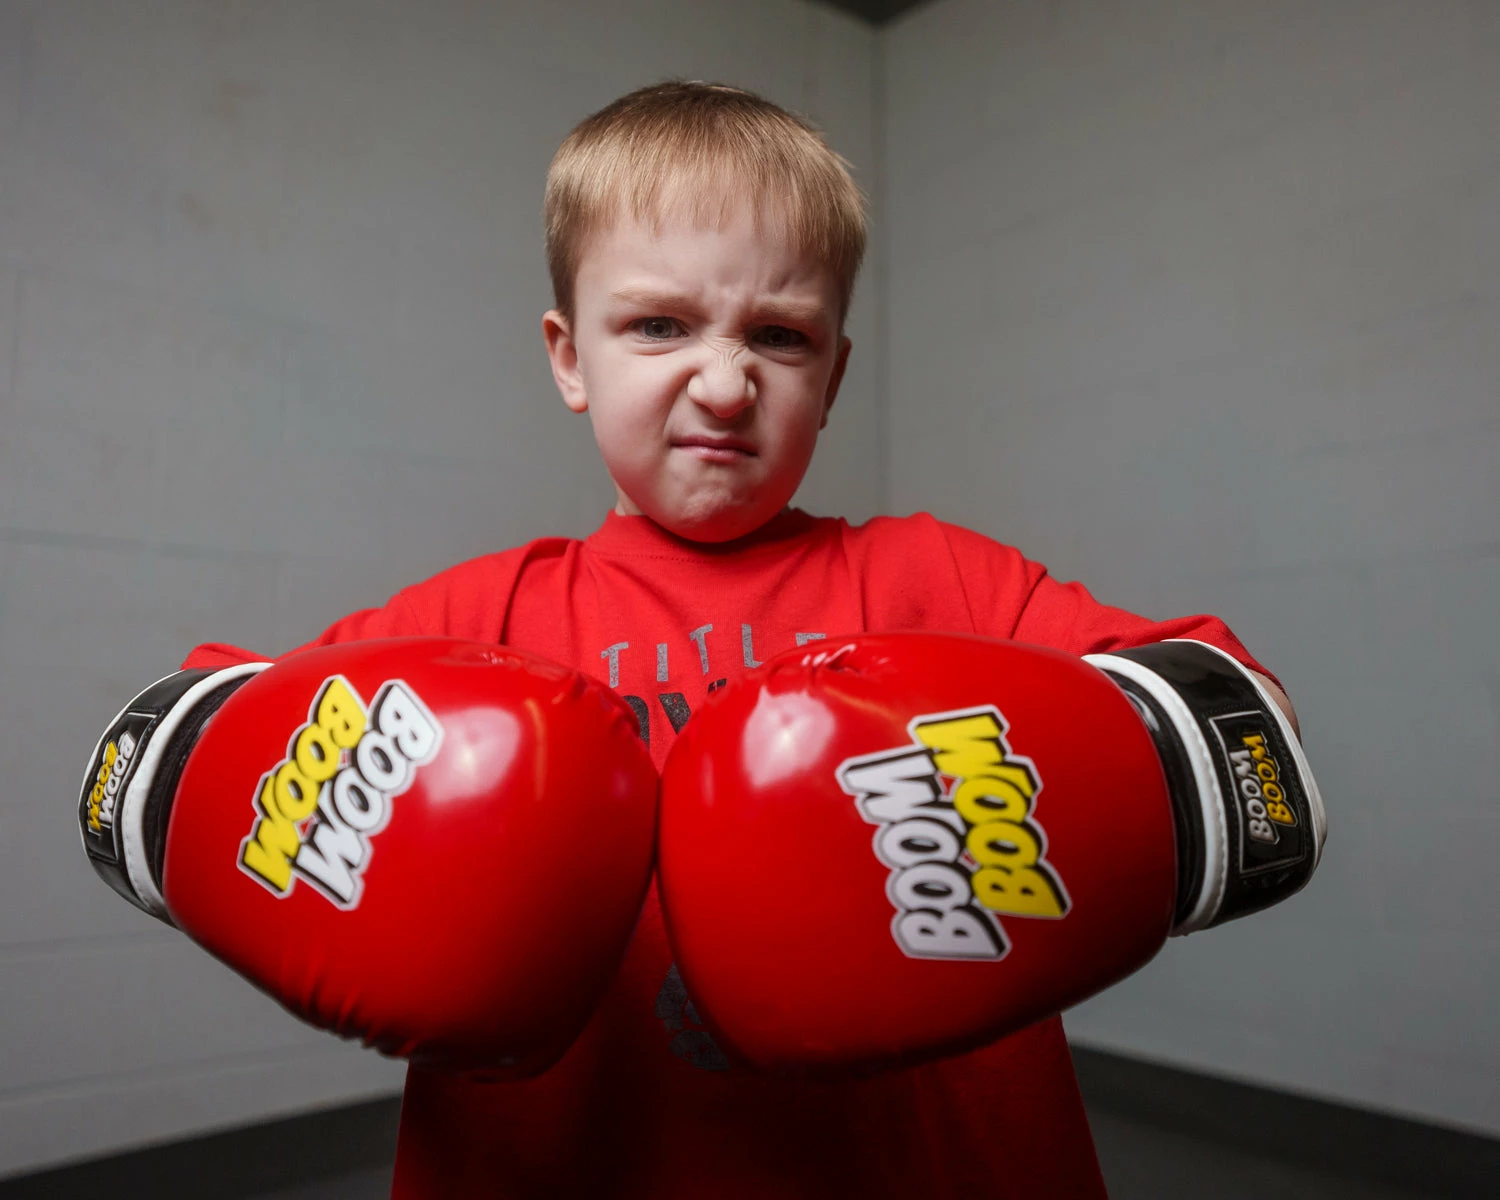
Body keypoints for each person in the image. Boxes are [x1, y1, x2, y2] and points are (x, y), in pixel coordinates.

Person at [179, 81, 1300, 1198]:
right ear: (570, 358)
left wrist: (1071, 802)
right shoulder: (477, 622)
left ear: (835, 376)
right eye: (659, 325)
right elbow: (174, 747)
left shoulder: (941, 582)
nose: (724, 384)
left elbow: (1259, 751)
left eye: (780, 335)